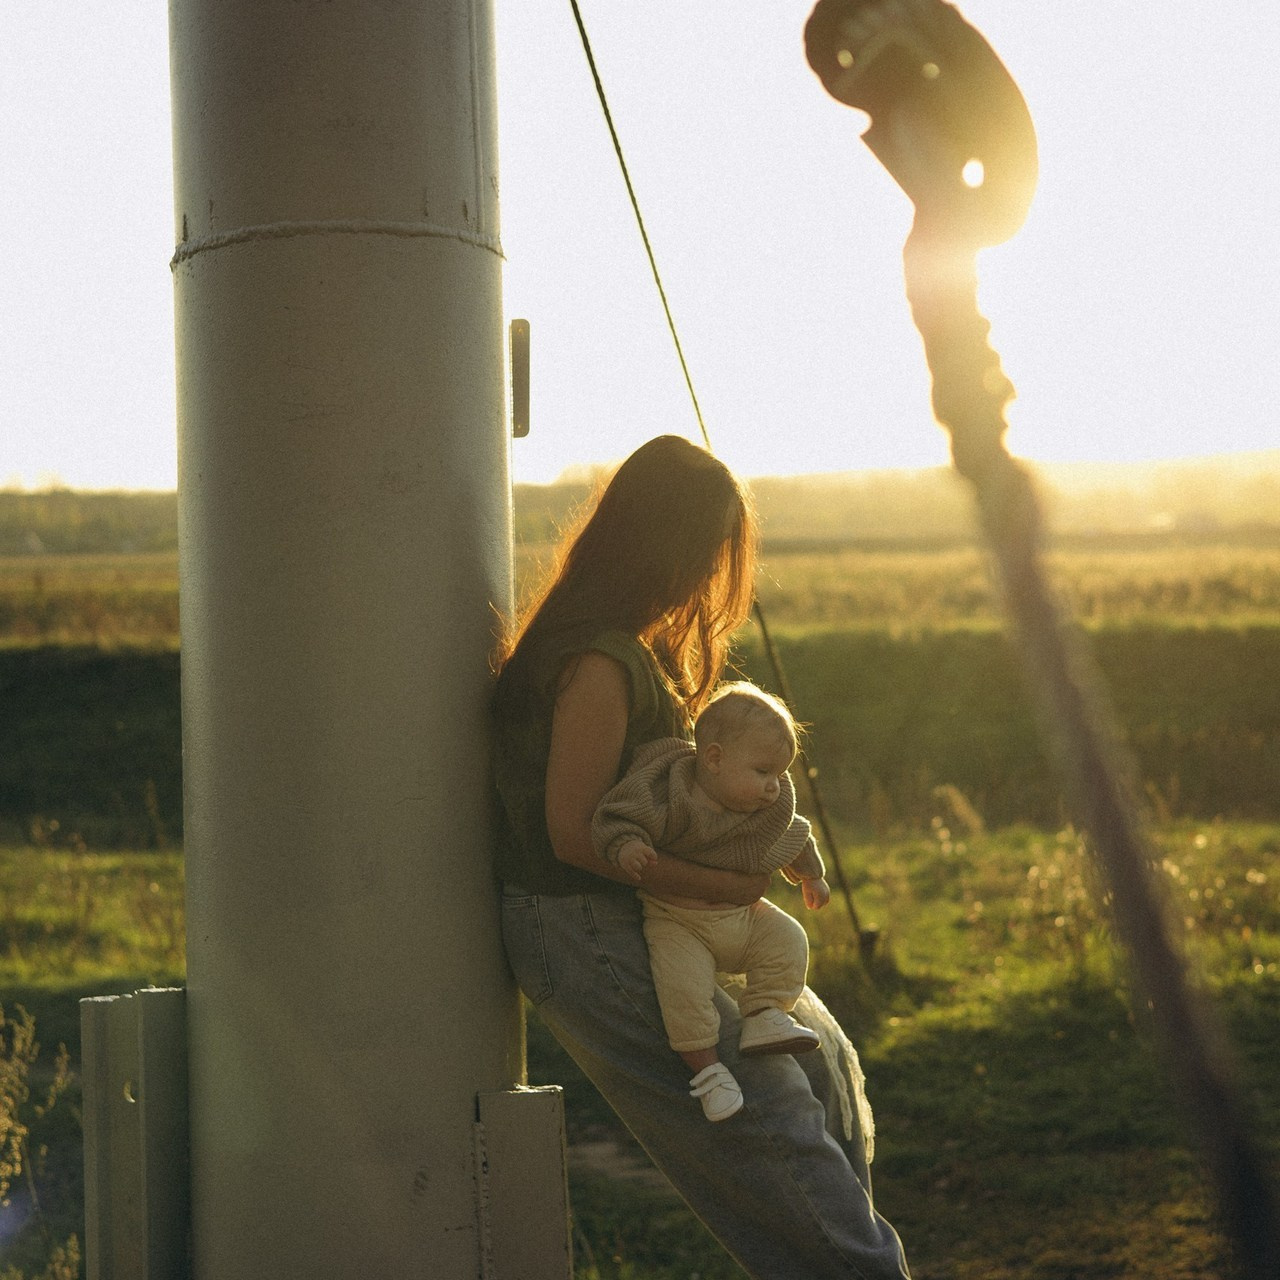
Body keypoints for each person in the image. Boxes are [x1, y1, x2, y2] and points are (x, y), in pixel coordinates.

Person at [491, 435, 910, 1279]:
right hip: (583, 927)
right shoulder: (598, 663)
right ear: (662, 544)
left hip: (643, 915)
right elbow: (574, 832)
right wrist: (726, 885)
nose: (709, 575)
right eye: (706, 552)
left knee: (819, 1066)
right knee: (767, 1114)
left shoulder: (623, 649)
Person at [592, 681, 832, 1122]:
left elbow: (794, 834)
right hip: (677, 921)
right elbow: (621, 815)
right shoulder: (670, 792)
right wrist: (626, 845)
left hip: (742, 918)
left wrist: (811, 875)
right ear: (715, 759)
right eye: (763, 772)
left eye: (779, 775)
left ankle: (765, 1013)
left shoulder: (765, 809)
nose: (774, 787)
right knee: (683, 995)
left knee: (787, 938)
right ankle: (709, 1073)